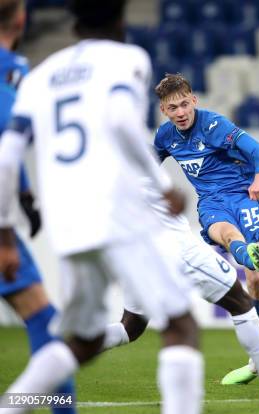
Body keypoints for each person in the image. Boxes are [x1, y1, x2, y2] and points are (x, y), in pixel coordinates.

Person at [0, 1, 204, 413]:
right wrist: (163, 185)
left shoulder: (39, 75)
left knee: (84, 341)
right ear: (121, 20)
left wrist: (4, 231)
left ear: (74, 23)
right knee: (180, 325)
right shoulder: (127, 59)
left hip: (68, 225)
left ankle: (10, 406)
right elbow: (120, 119)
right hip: (117, 212)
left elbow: (7, 155)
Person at [102, 179, 259, 402]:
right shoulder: (137, 157)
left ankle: (66, 353)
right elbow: (175, 200)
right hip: (175, 249)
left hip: (131, 253)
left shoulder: (102, 167)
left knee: (130, 327)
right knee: (241, 303)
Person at [153, 73, 259, 384]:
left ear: (194, 100)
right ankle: (248, 252)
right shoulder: (164, 137)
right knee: (220, 232)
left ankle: (255, 361)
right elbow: (145, 169)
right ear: (163, 111)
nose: (180, 112)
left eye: (184, 104)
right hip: (211, 202)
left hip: (244, 194)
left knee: (257, 281)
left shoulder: (214, 125)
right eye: (173, 108)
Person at [0, 1, 76, 412]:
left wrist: (25, 195)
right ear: (21, 18)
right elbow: (6, 151)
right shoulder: (14, 77)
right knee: (48, 331)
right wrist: (5, 238)